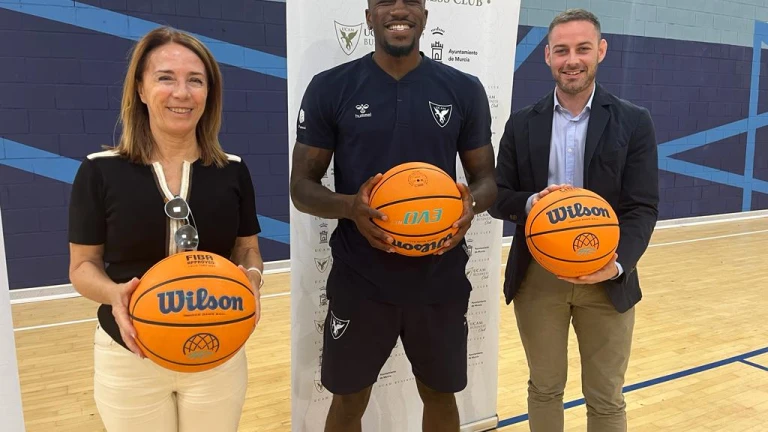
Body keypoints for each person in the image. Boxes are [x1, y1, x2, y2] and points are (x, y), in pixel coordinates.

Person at [289, 0, 497, 430]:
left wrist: (469, 206)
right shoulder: (331, 87)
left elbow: (487, 181)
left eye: (411, 1)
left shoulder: (464, 89)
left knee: (439, 394)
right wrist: (350, 207)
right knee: (348, 400)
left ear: (425, 15)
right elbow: (301, 187)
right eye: (385, 1)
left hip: (438, 275)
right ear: (369, 16)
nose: (398, 9)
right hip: (361, 276)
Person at [67, 26, 264, 432]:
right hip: (129, 354)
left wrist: (253, 279)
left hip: (217, 348)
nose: (182, 93)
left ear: (209, 93)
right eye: (165, 78)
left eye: (196, 80)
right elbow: (83, 266)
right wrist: (114, 294)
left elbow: (247, 249)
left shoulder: (233, 170)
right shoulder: (99, 171)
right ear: (140, 89)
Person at [488, 9, 659, 432]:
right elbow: (496, 196)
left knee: (606, 396)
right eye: (561, 50)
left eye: (583, 48)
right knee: (544, 389)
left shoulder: (633, 121)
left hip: (606, 274)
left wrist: (616, 264)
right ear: (547, 55)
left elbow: (642, 206)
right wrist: (533, 203)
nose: (572, 60)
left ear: (601, 50)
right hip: (538, 275)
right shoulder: (521, 123)